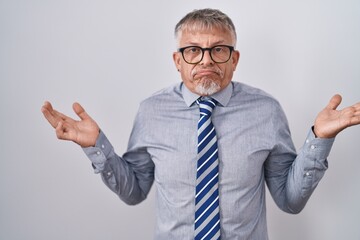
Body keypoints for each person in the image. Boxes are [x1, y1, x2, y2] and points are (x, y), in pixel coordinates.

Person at [41, 8, 360, 240]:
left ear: (234, 59)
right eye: (193, 50)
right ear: (177, 61)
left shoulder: (266, 110)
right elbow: (134, 191)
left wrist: (319, 138)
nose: (206, 60)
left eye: (218, 50)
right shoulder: (152, 111)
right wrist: (96, 147)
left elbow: (290, 200)